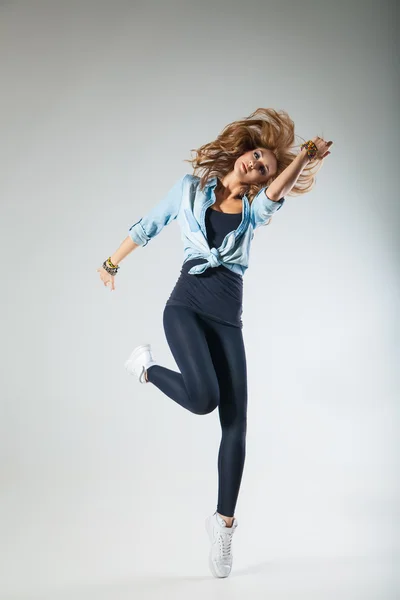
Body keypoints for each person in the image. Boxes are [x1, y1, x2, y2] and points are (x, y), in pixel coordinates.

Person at [97, 108, 333, 578]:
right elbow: (150, 224)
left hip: (227, 320)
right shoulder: (189, 190)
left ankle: (223, 525)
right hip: (184, 306)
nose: (257, 164)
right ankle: (147, 367)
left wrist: (302, 159)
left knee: (237, 424)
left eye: (266, 166)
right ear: (242, 151)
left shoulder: (254, 208)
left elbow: (274, 194)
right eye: (256, 155)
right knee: (204, 399)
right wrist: (111, 262)